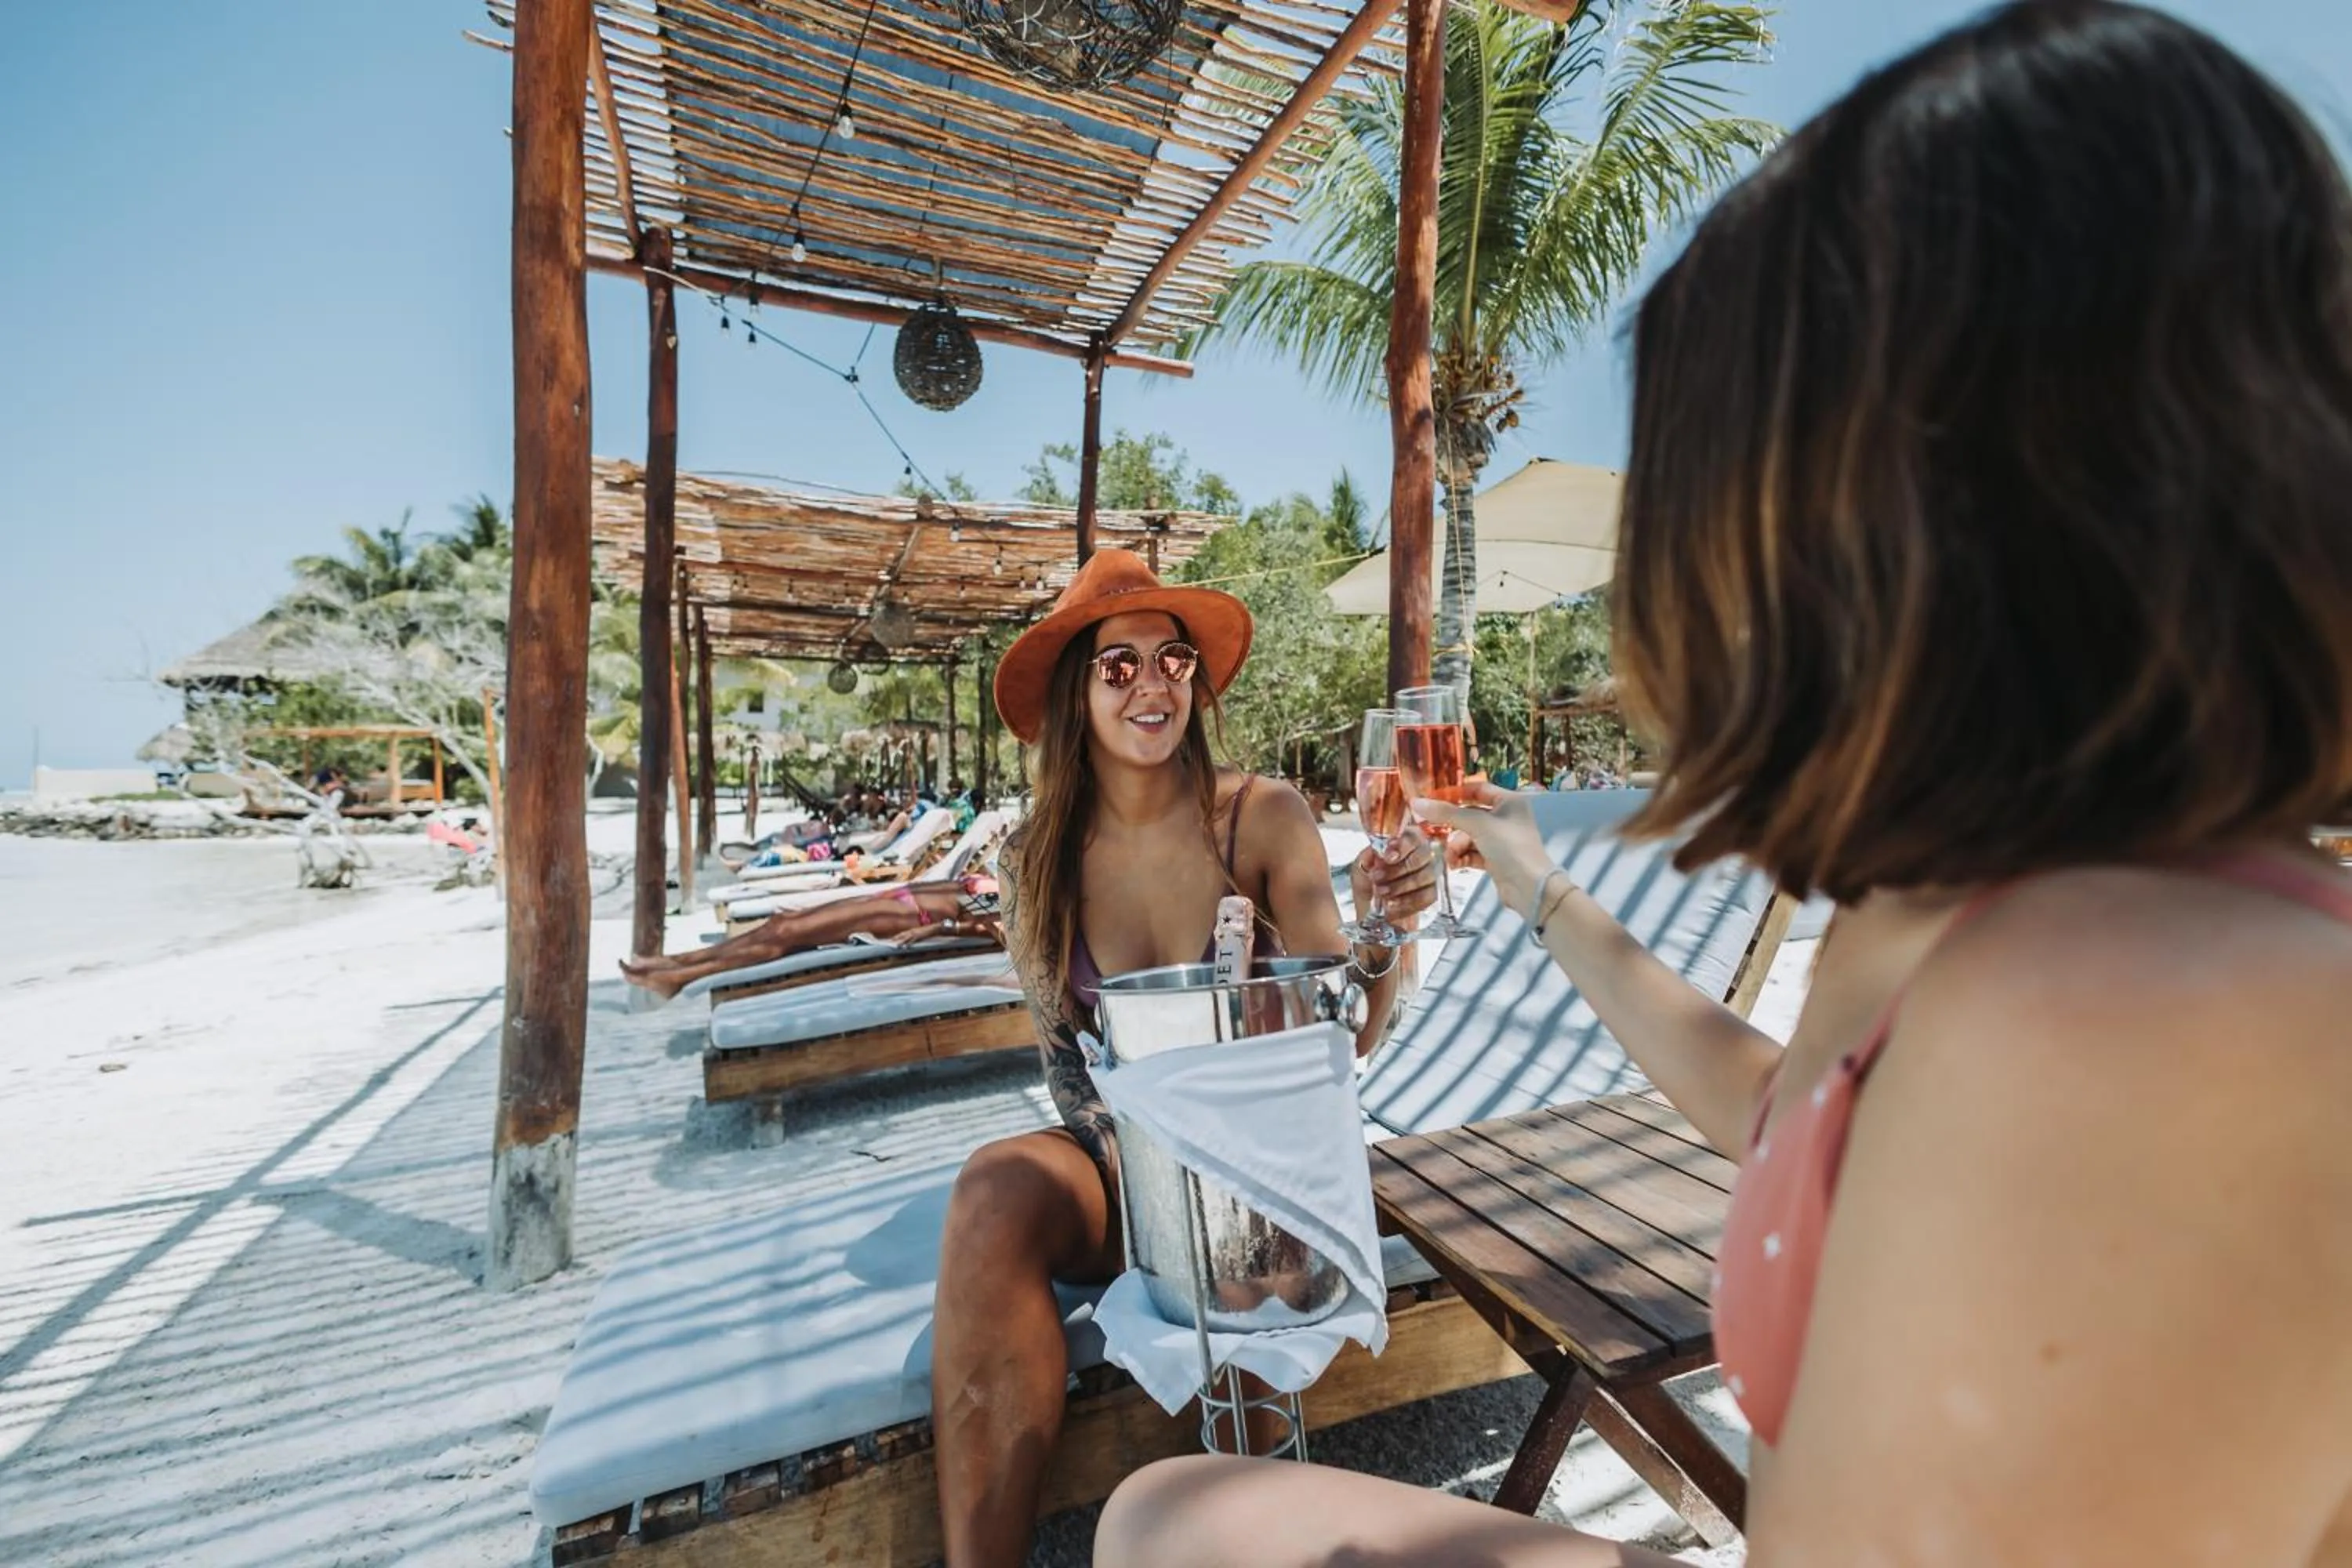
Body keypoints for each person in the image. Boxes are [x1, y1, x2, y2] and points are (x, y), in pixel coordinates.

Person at [1095, 5, 2352, 1565]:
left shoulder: (2139, 1024)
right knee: (1176, 1508)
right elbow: (1793, 1118)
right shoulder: (1961, 916)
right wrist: (1545, 891)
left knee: (1173, 1530)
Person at [928, 548, 1439, 1566]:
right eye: (1119, 665)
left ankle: (1263, 1530)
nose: (1153, 684)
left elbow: (1351, 1029)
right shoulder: (1034, 860)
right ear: (1079, 690)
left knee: (1229, 1243)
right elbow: (1071, 1075)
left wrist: (1388, 927)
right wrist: (1143, 1175)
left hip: (1271, 1171)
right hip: (1131, 1168)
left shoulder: (1260, 816)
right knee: (992, 1191)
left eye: (1172, 661)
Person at [619, 873, 1000, 1000]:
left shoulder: (1036, 902)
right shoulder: (1013, 872)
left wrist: (938, 928)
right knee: (778, 925)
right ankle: (680, 961)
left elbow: (997, 931)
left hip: (906, 916)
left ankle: (682, 977)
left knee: (785, 933)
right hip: (895, 899)